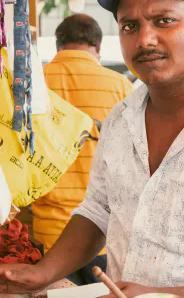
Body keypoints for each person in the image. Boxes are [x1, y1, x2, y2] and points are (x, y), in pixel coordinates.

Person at [0, 0, 184, 297]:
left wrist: (162, 296)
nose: (145, 39)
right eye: (129, 26)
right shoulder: (121, 117)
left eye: (164, 21)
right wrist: (39, 273)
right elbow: (98, 211)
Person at [31, 14, 132, 285]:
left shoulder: (33, 84)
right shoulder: (120, 86)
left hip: (46, 236)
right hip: (100, 237)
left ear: (58, 45)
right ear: (98, 47)